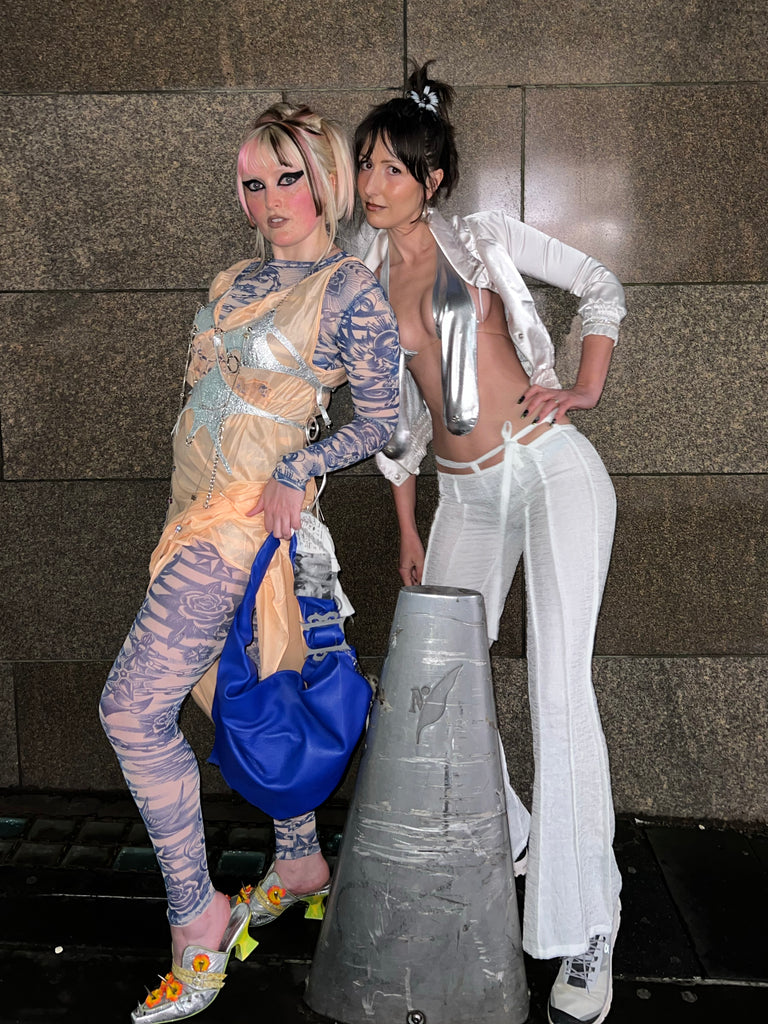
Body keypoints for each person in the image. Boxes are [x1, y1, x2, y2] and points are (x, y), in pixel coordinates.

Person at [100, 103, 400, 1023]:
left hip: (243, 523)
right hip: (192, 512)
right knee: (247, 685)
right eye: (254, 182)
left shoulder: (350, 290)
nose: (271, 200)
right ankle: (300, 862)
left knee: (132, 711)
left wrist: (301, 469)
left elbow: (383, 419)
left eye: (289, 178)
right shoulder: (232, 280)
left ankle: (198, 919)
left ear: (326, 182)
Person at [354, 62, 626, 1024]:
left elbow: (599, 285)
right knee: (432, 698)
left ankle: (588, 925)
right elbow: (392, 420)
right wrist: (406, 524)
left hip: (549, 470)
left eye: (392, 168)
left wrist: (584, 386)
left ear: (431, 180)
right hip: (462, 497)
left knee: (558, 689)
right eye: (365, 165)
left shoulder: (484, 239)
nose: (373, 183)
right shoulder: (362, 279)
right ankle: (516, 838)